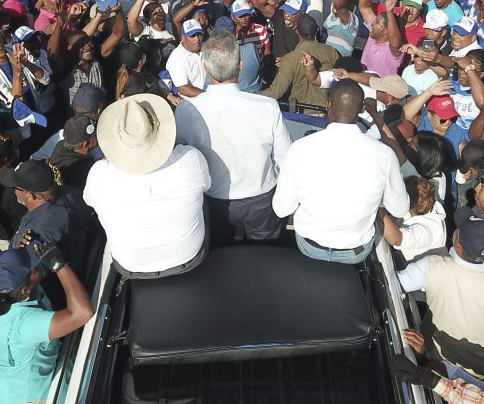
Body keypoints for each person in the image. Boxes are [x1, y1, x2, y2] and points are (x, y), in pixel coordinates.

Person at [274, 79, 410, 263]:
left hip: (309, 246)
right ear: (361, 109)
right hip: (356, 252)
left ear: (328, 104)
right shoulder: (385, 155)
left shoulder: (299, 149)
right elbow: (399, 209)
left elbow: (281, 209)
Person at [175, 31, 291, 243]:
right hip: (262, 200)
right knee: (267, 254)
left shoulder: (186, 109)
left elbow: (182, 158)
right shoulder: (268, 107)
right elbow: (285, 160)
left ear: (206, 68)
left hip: (214, 201)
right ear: (240, 66)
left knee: (223, 256)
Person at [83, 93, 211, 278]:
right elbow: (207, 185)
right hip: (189, 257)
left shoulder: (98, 174)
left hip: (131, 266)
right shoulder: (190, 159)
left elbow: (90, 201)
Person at [398, 206, 484, 375]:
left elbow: (395, 284)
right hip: (483, 377)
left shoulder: (433, 266)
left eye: (458, 231)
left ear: (458, 245)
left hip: (436, 367)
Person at [0, 243, 94, 404]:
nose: (39, 262)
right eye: (33, 265)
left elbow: (36, 272)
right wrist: (59, 265)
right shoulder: (24, 325)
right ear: (26, 290)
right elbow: (82, 313)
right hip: (25, 402)